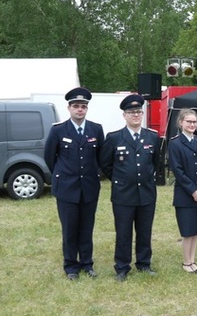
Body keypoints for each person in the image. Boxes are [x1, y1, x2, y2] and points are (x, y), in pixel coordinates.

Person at [44, 87, 105, 280]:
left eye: (83, 106)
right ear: (69, 108)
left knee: (86, 229)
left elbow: (100, 157)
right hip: (67, 189)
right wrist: (63, 175)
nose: (80, 110)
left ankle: (87, 264)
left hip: (89, 187)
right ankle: (71, 266)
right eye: (76, 106)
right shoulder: (58, 130)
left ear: (87, 109)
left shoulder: (96, 129)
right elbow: (49, 158)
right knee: (70, 229)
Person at [100, 94, 160, 281]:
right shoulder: (114, 137)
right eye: (131, 112)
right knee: (124, 232)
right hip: (123, 195)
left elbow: (155, 162)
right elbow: (106, 164)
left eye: (138, 112)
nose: (135, 115)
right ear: (124, 115)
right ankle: (122, 267)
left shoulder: (152, 136)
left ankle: (143, 263)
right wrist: (121, 179)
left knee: (144, 231)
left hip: (146, 193)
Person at [168, 109, 197, 273]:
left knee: (196, 229)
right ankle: (186, 262)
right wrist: (193, 190)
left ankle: (193, 260)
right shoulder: (175, 143)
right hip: (185, 195)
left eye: (194, 122)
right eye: (188, 122)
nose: (192, 124)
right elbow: (178, 171)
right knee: (187, 230)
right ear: (181, 123)